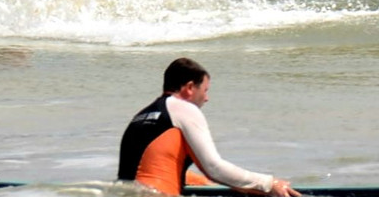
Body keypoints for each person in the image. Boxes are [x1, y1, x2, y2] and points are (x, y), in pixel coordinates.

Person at [118, 57, 300, 197]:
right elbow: (214, 168)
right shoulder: (183, 108)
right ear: (190, 87)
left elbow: (148, 168)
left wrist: (203, 183)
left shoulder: (140, 117)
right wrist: (269, 184)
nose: (206, 98)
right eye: (205, 90)